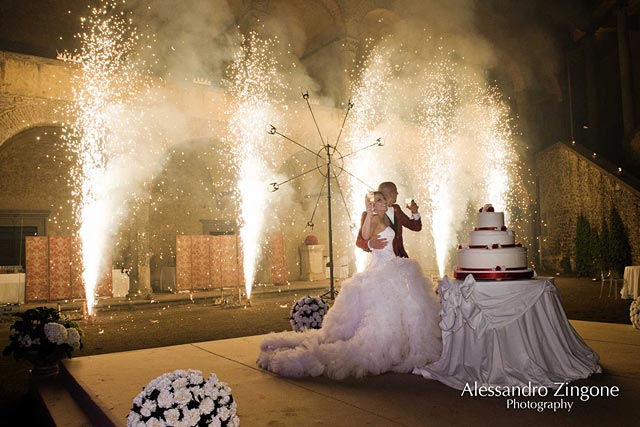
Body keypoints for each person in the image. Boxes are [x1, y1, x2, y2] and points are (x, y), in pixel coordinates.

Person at [256, 192, 442, 379]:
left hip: (395, 266)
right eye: (376, 200)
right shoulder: (372, 217)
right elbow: (364, 236)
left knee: (409, 312)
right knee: (382, 315)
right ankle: (380, 350)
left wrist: (415, 212)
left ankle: (403, 347)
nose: (381, 202)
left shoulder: (393, 212)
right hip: (380, 271)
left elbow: (414, 225)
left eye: (383, 199)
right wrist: (369, 236)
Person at [356, 182, 421, 258]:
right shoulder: (368, 215)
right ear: (391, 194)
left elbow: (416, 227)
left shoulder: (396, 209)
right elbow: (359, 241)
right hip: (383, 262)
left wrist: (415, 212)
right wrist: (370, 244)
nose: (397, 193)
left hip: (400, 258)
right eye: (396, 191)